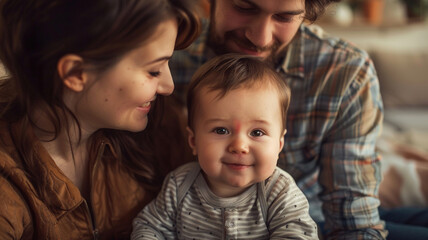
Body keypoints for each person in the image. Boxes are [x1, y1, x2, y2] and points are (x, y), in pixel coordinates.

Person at [167, 0, 428, 239]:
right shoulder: (170, 54)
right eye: (245, 8)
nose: (260, 37)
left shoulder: (344, 72)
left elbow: (352, 222)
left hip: (315, 219)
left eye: (284, 17)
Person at [0, 0, 199, 239]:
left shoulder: (162, 124)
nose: (169, 86)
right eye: (154, 70)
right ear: (75, 73)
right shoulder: (7, 185)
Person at [132, 53, 318, 240]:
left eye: (257, 133)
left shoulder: (279, 191)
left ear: (279, 144)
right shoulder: (179, 185)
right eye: (221, 130)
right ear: (193, 141)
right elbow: (149, 227)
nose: (239, 146)